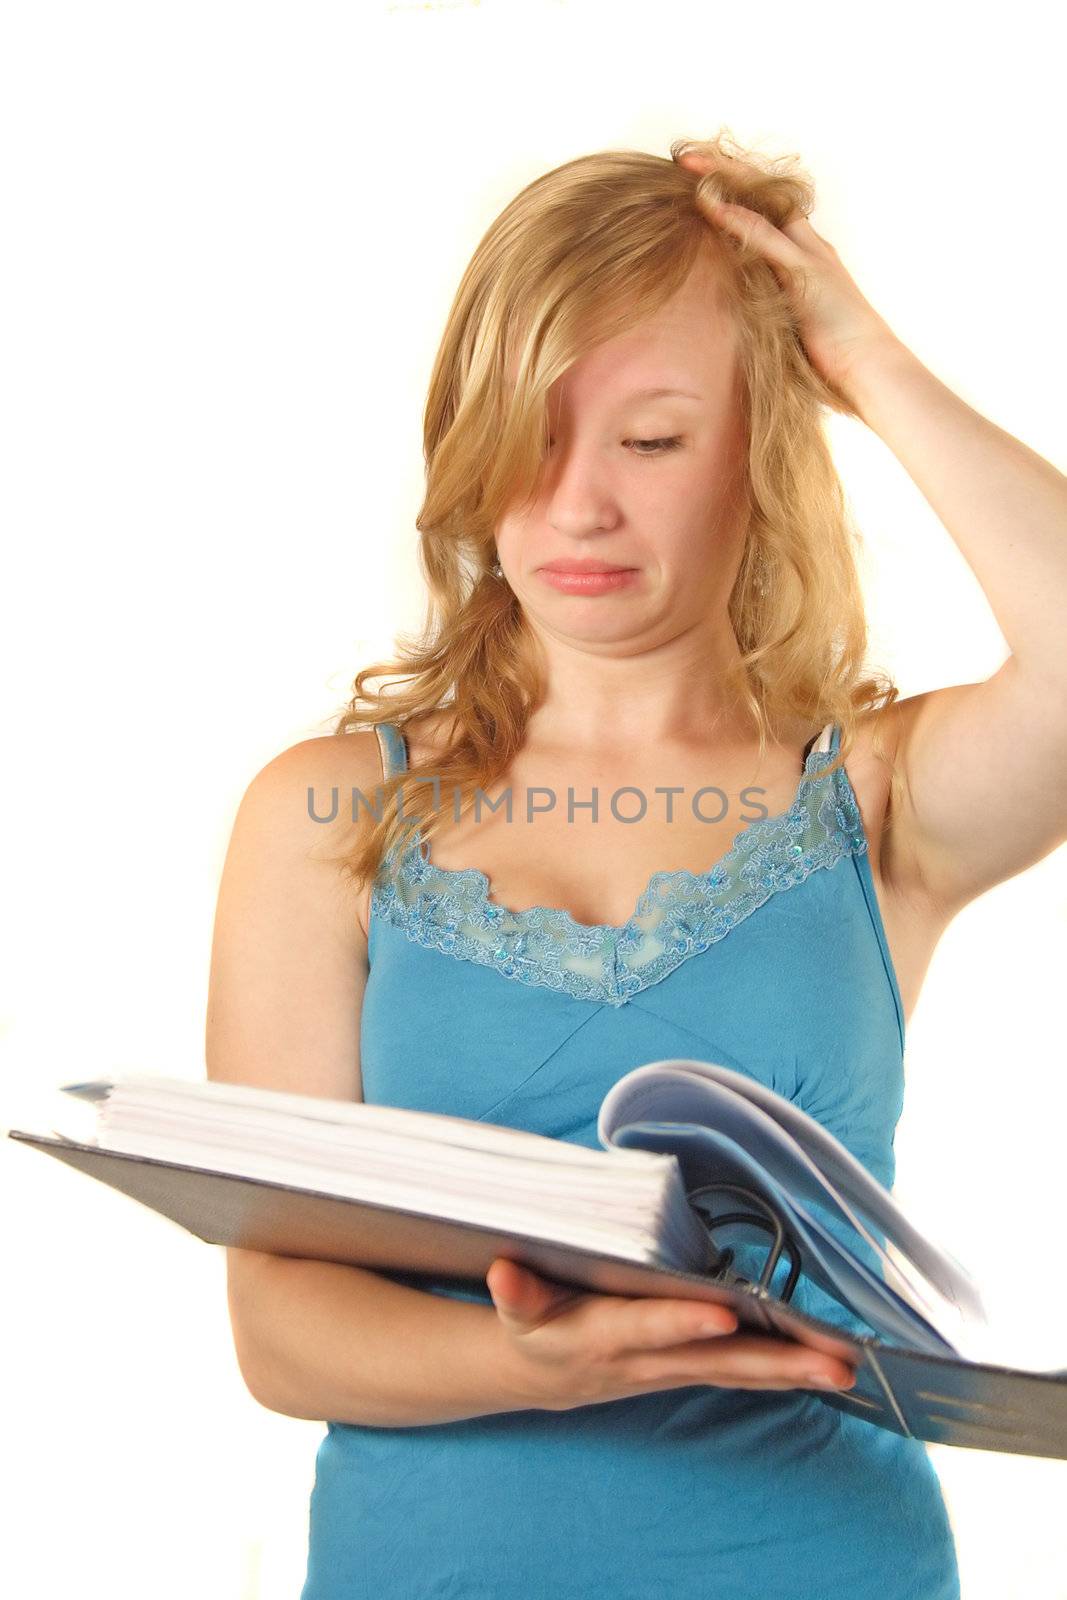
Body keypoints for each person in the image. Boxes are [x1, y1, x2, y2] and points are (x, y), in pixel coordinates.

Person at [206, 133, 1067, 1599]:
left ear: (763, 444)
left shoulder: (872, 802)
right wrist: (537, 1364)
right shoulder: (329, 818)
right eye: (523, 438)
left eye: (652, 441)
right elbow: (281, 1329)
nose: (577, 505)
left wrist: (862, 358)